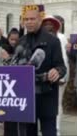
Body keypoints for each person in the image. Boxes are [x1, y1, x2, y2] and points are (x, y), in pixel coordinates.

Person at [19, 8, 66, 136]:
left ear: (40, 20)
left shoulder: (53, 41)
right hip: (26, 98)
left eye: (32, 19)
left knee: (49, 132)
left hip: (47, 95)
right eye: (26, 19)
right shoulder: (21, 41)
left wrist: (57, 71)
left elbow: (62, 66)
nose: (29, 22)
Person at [41, 15, 69, 136]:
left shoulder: (61, 38)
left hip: (58, 76)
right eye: (46, 24)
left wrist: (61, 76)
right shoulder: (39, 38)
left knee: (57, 103)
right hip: (42, 78)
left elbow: (63, 58)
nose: (48, 27)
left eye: (50, 25)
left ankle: (56, 129)